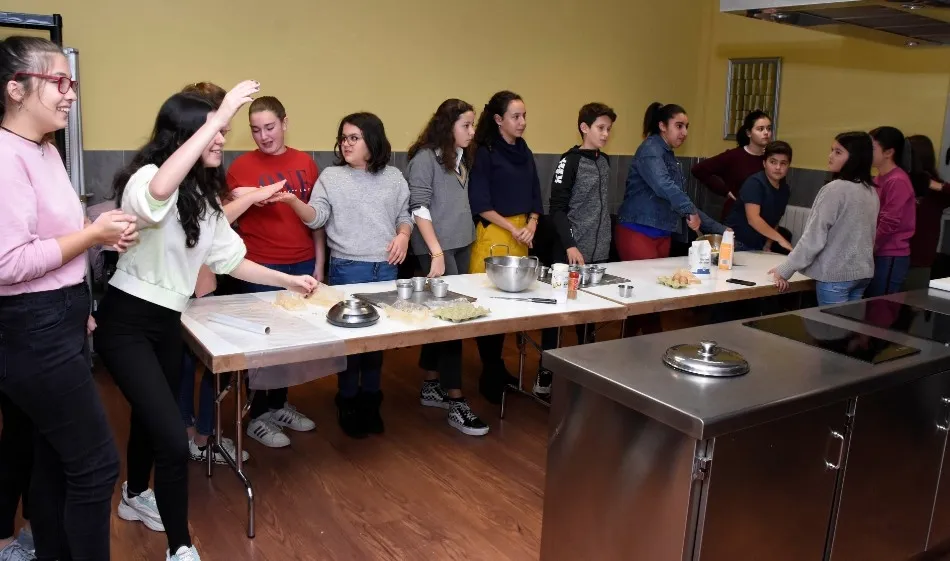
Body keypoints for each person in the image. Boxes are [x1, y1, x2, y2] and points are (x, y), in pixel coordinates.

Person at [94, 82, 317, 561]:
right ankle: (181, 548)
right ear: (186, 135)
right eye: (214, 132)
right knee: (172, 437)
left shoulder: (205, 198)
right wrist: (217, 118)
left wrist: (287, 280)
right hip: (126, 321)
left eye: (223, 131)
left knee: (148, 417)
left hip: (168, 322)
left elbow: (230, 262)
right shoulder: (149, 177)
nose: (222, 140)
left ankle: (135, 495)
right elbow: (157, 191)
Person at [0, 35, 136, 561]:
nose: (70, 93)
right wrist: (92, 235)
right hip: (30, 328)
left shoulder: (46, 150)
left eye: (70, 82)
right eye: (58, 82)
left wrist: (95, 236)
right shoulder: (7, 157)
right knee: (98, 465)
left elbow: (56, 235)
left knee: (54, 458)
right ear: (16, 88)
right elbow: (9, 265)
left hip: (60, 318)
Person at [277, 112, 411, 439]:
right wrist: (295, 201)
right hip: (348, 268)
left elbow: (403, 216)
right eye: (343, 137)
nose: (346, 143)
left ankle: (371, 400)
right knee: (350, 343)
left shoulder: (394, 177)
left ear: (372, 141)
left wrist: (404, 235)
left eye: (354, 137)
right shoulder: (331, 177)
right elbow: (316, 218)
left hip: (386, 269)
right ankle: (348, 400)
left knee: (377, 341)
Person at [226, 95, 321, 448]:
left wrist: (318, 263)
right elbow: (227, 219)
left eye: (269, 127)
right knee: (261, 342)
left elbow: (316, 218)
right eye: (255, 130)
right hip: (261, 264)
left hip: (301, 260)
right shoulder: (240, 168)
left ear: (284, 122)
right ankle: (257, 415)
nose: (263, 136)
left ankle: (278, 405)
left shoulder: (306, 164)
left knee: (289, 342)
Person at [405, 99, 488, 436]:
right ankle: (456, 401)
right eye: (466, 125)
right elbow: (418, 206)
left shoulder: (461, 156)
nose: (471, 131)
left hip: (460, 243)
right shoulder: (425, 158)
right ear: (447, 125)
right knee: (456, 320)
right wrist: (436, 252)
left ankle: (430, 383)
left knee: (445, 317)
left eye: (472, 125)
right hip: (435, 248)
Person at [616, 102, 724, 335]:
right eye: (679, 126)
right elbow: (664, 187)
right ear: (662, 126)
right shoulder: (651, 150)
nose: (684, 132)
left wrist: (720, 229)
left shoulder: (668, 154)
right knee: (648, 297)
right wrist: (688, 211)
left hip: (661, 233)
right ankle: (655, 346)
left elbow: (680, 197)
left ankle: (632, 349)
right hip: (638, 231)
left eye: (687, 127)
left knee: (648, 298)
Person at [534, 102, 616, 401]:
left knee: (588, 314)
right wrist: (570, 244)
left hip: (597, 252)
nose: (606, 134)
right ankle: (545, 371)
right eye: (600, 128)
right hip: (566, 252)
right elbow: (556, 210)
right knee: (558, 314)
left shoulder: (605, 162)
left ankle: (585, 369)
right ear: (585, 128)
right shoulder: (568, 162)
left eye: (609, 129)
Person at [466, 90, 543, 403]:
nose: (522, 122)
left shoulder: (524, 150)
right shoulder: (484, 152)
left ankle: (498, 367)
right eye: (516, 116)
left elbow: (536, 192)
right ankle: (490, 370)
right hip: (494, 234)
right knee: (490, 306)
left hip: (522, 235)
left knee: (512, 306)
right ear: (498, 120)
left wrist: (533, 223)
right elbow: (480, 202)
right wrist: (514, 227)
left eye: (524, 115)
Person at [769, 132, 879, 305]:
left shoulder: (835, 189)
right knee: (849, 329)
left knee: (832, 330)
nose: (830, 156)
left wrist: (785, 270)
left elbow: (814, 237)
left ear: (855, 158)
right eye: (832, 150)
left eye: (838, 152)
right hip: (862, 273)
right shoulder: (870, 190)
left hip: (836, 275)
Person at [692, 110, 773, 220]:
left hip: (763, 217)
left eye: (768, 128)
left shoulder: (770, 159)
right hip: (736, 217)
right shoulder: (734, 156)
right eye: (760, 129)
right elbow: (698, 169)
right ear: (749, 132)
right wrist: (725, 191)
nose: (766, 133)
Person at [865, 126, 916, 297]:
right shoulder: (878, 178)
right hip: (877, 252)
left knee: (881, 309)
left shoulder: (897, 180)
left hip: (890, 255)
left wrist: (870, 247)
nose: (867, 152)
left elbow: (889, 221)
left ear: (888, 152)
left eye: (872, 148)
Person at [725, 140, 794, 253]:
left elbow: (775, 220)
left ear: (788, 166)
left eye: (783, 163)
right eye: (773, 162)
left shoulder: (784, 189)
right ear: (764, 163)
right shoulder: (755, 183)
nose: (778, 167)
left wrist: (768, 244)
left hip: (758, 246)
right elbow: (754, 219)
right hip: (736, 243)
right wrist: (781, 240)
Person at [906, 135, 950, 288]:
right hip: (893, 255)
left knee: (913, 304)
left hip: (919, 258)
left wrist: (935, 185)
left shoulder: (934, 189)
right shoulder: (899, 181)